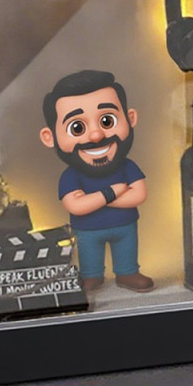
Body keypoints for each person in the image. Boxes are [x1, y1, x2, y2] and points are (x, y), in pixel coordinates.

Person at [39, 70, 154, 293]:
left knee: (127, 250)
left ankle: (128, 272)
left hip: (125, 226)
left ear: (130, 119)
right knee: (89, 255)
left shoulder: (127, 166)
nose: (96, 135)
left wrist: (95, 200)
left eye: (107, 121)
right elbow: (75, 205)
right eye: (77, 127)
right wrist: (113, 192)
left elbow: (139, 194)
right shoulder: (71, 176)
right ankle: (91, 275)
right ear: (50, 137)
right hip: (87, 230)